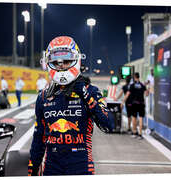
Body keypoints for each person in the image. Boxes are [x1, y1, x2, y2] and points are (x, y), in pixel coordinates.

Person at [28, 36, 114, 176]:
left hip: (81, 164)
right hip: (52, 165)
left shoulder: (91, 91)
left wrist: (85, 96)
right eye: (56, 62)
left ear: (76, 60)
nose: (61, 66)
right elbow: (39, 138)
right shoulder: (43, 97)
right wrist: (33, 167)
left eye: (66, 61)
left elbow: (108, 125)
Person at [121, 72, 148, 140]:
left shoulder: (132, 85)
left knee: (134, 118)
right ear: (139, 77)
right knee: (141, 119)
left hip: (134, 104)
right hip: (141, 104)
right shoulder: (142, 85)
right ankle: (140, 134)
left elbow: (127, 94)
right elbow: (147, 94)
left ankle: (134, 132)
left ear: (134, 77)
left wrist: (122, 102)